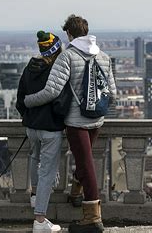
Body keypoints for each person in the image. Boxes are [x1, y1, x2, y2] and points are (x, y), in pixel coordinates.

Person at [24, 14, 116, 233]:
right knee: (84, 160)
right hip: (98, 119)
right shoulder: (104, 56)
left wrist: (29, 101)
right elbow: (112, 93)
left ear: (69, 34)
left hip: (76, 122)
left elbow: (51, 91)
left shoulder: (68, 57)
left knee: (86, 164)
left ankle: (92, 218)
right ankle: (76, 192)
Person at [16, 30, 69, 233]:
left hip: (32, 127)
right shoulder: (56, 70)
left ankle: (34, 197)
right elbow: (61, 102)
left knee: (34, 158)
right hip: (50, 129)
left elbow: (20, 99)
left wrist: (29, 116)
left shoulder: (29, 68)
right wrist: (58, 119)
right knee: (47, 172)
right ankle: (40, 220)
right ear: (56, 49)